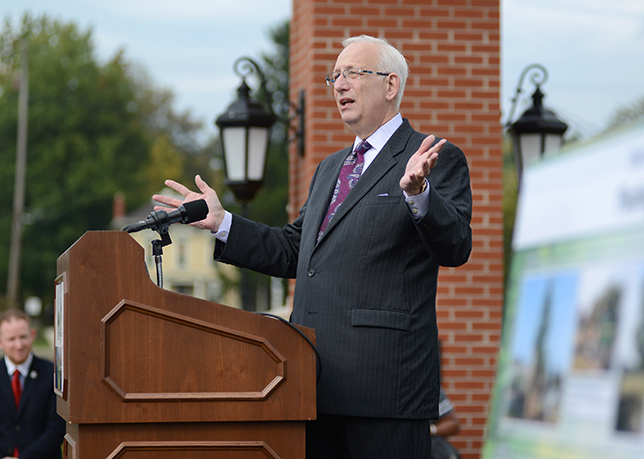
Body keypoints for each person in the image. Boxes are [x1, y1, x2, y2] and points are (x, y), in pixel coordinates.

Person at [153, 34, 472, 458]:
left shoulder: (432, 156)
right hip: (312, 379)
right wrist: (222, 222)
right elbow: (294, 250)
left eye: (353, 73)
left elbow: (456, 247)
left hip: (384, 387)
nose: (339, 84)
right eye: (334, 75)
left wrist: (419, 194)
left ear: (391, 85)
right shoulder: (329, 168)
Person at [0, 310, 65, 459]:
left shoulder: (52, 374)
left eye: (23, 337)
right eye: (11, 339)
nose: (19, 345)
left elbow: (56, 428)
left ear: (32, 335)